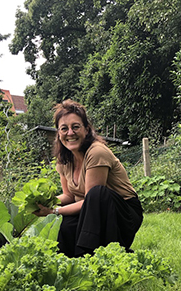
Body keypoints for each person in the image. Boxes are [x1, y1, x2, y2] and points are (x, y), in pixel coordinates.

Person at [34, 100, 143, 257]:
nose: (70, 133)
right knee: (66, 227)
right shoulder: (64, 159)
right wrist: (42, 202)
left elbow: (91, 200)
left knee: (96, 193)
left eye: (75, 127)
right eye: (64, 128)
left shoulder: (97, 152)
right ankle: (71, 264)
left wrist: (53, 211)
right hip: (90, 211)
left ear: (86, 130)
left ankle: (92, 255)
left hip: (123, 214)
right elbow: (69, 196)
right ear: (58, 133)